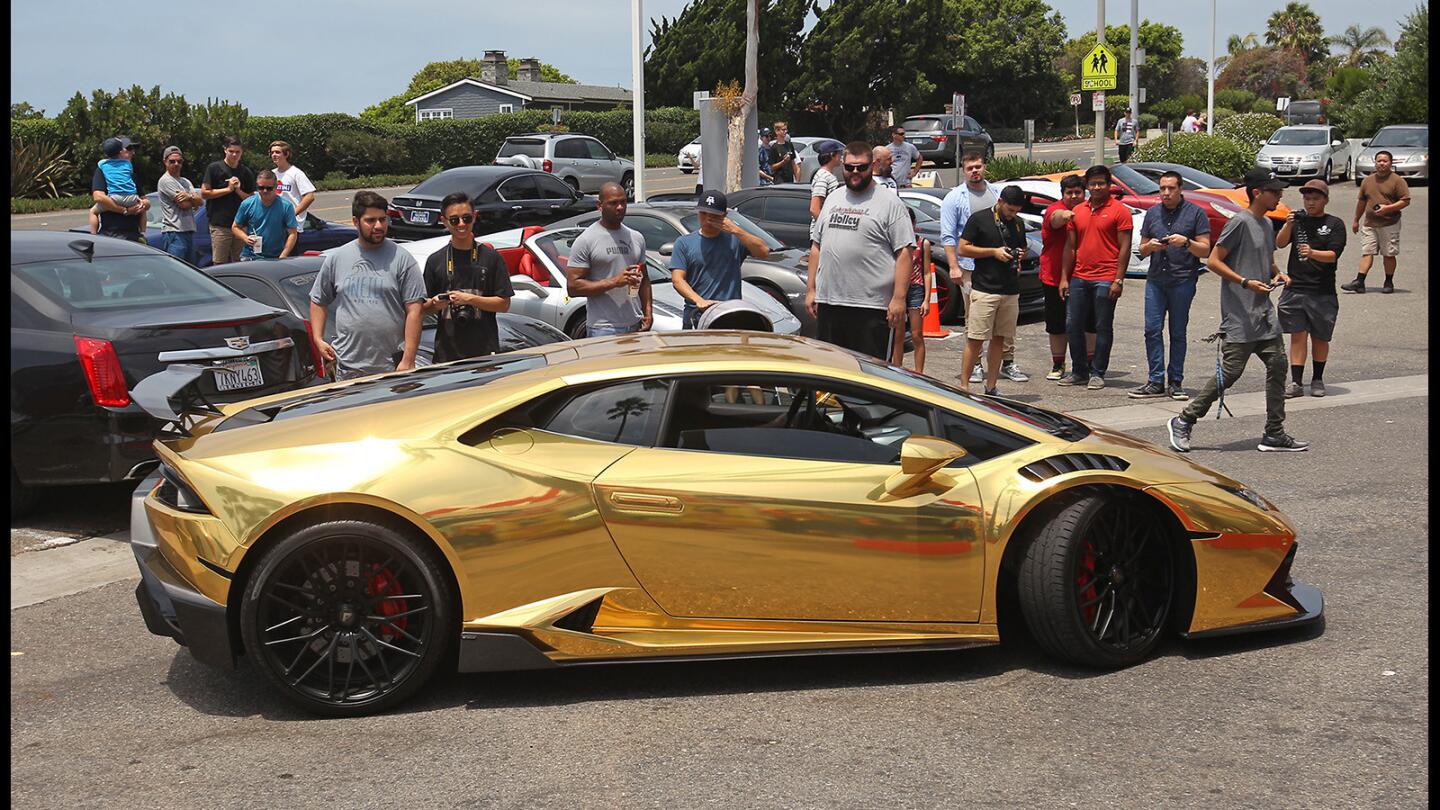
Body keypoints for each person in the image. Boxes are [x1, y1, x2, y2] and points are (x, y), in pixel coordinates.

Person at [1167, 168, 1310, 454]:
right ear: (1258, 192)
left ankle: (1274, 433)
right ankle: (1184, 420)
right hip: (1239, 314)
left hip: (1263, 314)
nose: (1280, 195)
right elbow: (1213, 261)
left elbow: (1266, 258)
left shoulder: (1266, 223)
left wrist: (1278, 273)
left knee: (1279, 366)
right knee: (1230, 373)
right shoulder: (1240, 223)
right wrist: (1245, 282)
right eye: (1274, 191)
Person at [805, 141, 915, 359]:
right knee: (831, 372)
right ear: (842, 166)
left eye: (862, 167)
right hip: (830, 302)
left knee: (869, 377)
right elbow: (817, 246)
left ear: (872, 166)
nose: (855, 172)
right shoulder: (833, 198)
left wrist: (899, 298)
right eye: (849, 167)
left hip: (871, 307)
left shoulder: (890, 203)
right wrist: (811, 290)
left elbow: (904, 252)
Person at [309, 191, 426, 379]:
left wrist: (408, 359)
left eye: (383, 219)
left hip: (392, 366)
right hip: (348, 367)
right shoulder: (337, 258)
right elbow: (318, 300)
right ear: (356, 221)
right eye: (371, 220)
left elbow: (415, 311)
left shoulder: (402, 259)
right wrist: (318, 338)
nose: (378, 226)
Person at [940, 150, 1027, 382]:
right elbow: (949, 237)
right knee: (975, 319)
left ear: (984, 167)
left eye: (978, 166)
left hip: (1003, 270)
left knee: (1004, 326)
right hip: (970, 266)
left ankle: (1007, 362)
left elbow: (1013, 227)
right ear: (963, 170)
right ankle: (976, 365)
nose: (975, 171)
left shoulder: (998, 193)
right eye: (970, 168)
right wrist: (954, 267)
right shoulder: (955, 198)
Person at [1129, 170, 1212, 400]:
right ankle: (1155, 380)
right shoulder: (1153, 213)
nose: (1165, 193)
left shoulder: (1195, 213)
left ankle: (1176, 381)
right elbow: (1143, 249)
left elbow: (1205, 249)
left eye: (1171, 188)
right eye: (1162, 188)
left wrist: (1186, 242)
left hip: (1182, 280)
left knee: (1178, 332)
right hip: (1156, 279)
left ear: (1180, 189)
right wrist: (1151, 246)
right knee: (1152, 330)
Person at [1057, 164, 1133, 390]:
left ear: (1109, 185)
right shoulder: (1078, 211)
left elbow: (1125, 248)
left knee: (1102, 326)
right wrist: (1064, 278)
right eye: (1092, 184)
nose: (1097, 187)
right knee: (1072, 324)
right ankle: (1079, 370)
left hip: (1107, 277)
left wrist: (1118, 279)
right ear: (1087, 186)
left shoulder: (1120, 211)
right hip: (1079, 276)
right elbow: (1070, 247)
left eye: (1101, 183)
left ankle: (1098, 372)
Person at [421, 192, 514, 362]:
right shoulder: (435, 261)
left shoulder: (492, 258)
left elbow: (504, 304)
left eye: (466, 218)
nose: (461, 224)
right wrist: (435, 304)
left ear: (475, 216)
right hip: (446, 356)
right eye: (454, 220)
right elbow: (422, 309)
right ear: (444, 221)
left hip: (485, 354)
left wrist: (470, 299)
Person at [1276, 179, 1346, 397]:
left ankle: (1317, 378)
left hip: (1321, 290)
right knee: (1297, 335)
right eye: (1307, 198)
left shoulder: (1334, 224)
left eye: (1315, 199)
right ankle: (1296, 382)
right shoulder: (1298, 221)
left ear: (1325, 200)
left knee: (1320, 337)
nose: (1310, 203)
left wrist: (1313, 252)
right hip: (1295, 287)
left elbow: (1333, 255)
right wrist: (1288, 224)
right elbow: (1279, 243)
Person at [957, 186, 1029, 394]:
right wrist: (993, 252)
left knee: (1000, 338)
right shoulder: (979, 219)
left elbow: (1021, 248)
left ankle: (992, 386)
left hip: (1010, 289)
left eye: (1016, 211)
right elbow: (963, 248)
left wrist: (1019, 255)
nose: (1012, 214)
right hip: (985, 289)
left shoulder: (1018, 224)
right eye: (1009, 210)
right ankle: (964, 386)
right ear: (1000, 201)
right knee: (976, 338)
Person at [669, 189, 770, 328]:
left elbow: (764, 251)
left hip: (729, 316)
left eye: (713, 215)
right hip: (697, 316)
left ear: (724, 216)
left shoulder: (735, 239)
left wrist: (736, 230)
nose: (707, 219)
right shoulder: (684, 243)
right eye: (703, 213)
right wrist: (699, 301)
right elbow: (678, 279)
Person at [567, 182, 652, 336]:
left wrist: (648, 311)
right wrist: (614, 282)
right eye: (613, 203)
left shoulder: (636, 237)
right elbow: (573, 287)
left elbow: (644, 279)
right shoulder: (586, 240)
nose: (620, 207)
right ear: (599, 205)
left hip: (635, 324)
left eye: (623, 202)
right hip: (603, 327)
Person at [1038, 175, 1095, 380]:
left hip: (1085, 276)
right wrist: (1069, 215)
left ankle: (1089, 364)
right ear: (1062, 194)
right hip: (1054, 277)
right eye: (1069, 193)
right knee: (1057, 323)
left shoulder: (1091, 209)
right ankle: (1058, 364)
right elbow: (1056, 218)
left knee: (1089, 323)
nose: (1073, 196)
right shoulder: (1056, 209)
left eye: (1077, 192)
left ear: (1084, 192)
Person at [1342, 150, 1411, 294]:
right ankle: (1359, 281)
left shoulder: (1398, 180)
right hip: (1370, 223)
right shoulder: (1368, 181)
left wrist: (1388, 208)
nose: (1382, 163)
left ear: (1391, 163)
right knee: (1367, 252)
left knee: (1389, 254)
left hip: (1389, 222)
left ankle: (1388, 281)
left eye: (1385, 161)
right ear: (1375, 162)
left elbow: (1405, 201)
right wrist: (1356, 220)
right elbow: (1361, 201)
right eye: (1379, 161)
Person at [890, 207, 933, 373]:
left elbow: (927, 272)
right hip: (899, 288)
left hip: (916, 288)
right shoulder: (894, 243)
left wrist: (927, 299)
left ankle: (919, 373)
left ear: (914, 224)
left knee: (916, 335)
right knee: (898, 335)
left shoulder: (923, 243)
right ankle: (896, 370)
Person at [201, 136, 256, 264]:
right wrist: (228, 189)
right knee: (219, 263)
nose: (234, 154)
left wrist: (238, 190)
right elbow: (204, 193)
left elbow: (252, 200)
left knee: (241, 262)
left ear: (242, 152)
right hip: (220, 225)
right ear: (225, 150)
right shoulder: (213, 168)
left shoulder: (246, 172)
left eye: (237, 152)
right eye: (231, 151)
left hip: (241, 225)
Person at [90, 135, 148, 242]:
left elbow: (146, 201)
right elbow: (98, 197)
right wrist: (125, 210)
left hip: (133, 236)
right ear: (121, 151)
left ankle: (142, 233)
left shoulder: (131, 174)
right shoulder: (101, 171)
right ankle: (93, 237)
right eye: (129, 149)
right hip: (111, 236)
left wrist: (143, 204)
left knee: (93, 211)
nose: (133, 152)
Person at [231, 170, 298, 260]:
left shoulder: (286, 206)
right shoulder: (247, 203)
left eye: (269, 188)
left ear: (276, 187)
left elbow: (293, 233)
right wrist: (246, 238)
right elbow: (235, 227)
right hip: (250, 256)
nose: (265, 191)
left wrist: (283, 255)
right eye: (261, 188)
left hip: (276, 257)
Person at [155, 146, 202, 264]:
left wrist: (190, 197)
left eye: (179, 161)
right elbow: (184, 204)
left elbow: (200, 201)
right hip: (174, 232)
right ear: (165, 162)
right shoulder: (166, 180)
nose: (176, 164)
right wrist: (192, 198)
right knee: (176, 271)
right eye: (172, 161)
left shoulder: (185, 181)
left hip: (189, 231)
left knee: (190, 272)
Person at [269, 140, 316, 227]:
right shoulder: (272, 174)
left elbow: (310, 196)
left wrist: (292, 214)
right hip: (276, 221)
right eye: (272, 153)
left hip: (292, 224)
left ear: (286, 154)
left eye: (277, 152)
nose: (274, 155)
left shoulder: (296, 173)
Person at [808, 139, 844, 220]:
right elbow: (814, 209)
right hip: (822, 230)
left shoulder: (828, 175)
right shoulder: (823, 177)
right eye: (839, 154)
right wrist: (825, 226)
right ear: (832, 155)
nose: (841, 157)